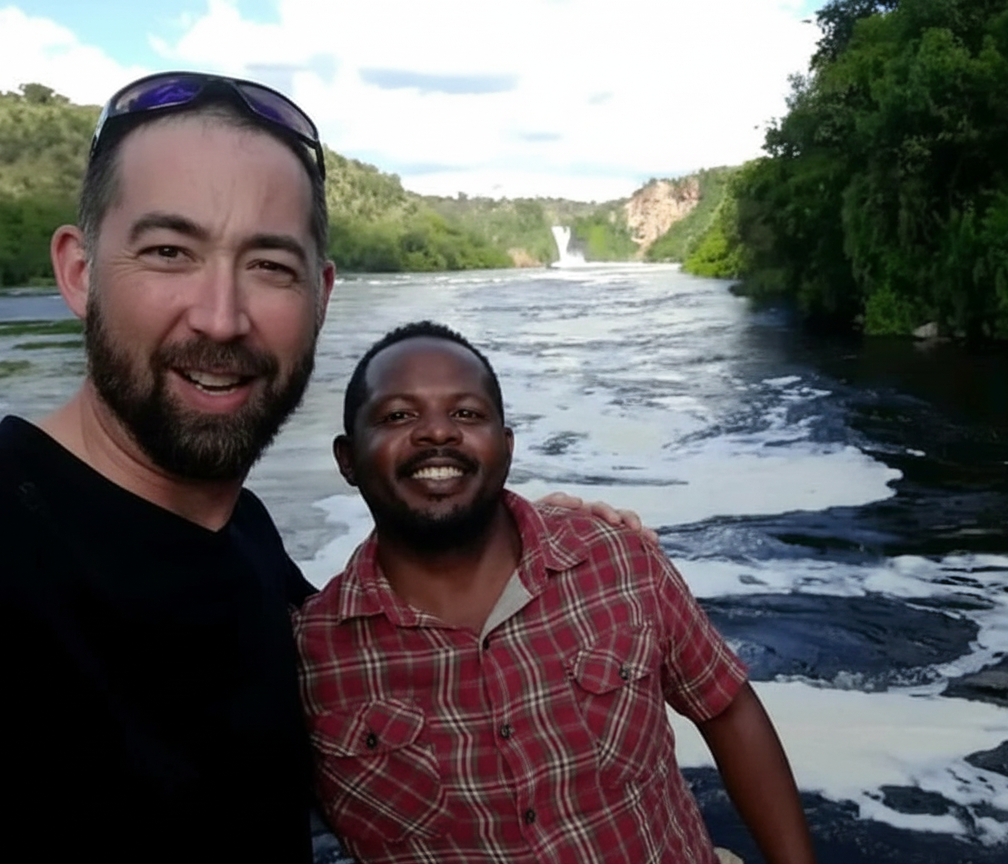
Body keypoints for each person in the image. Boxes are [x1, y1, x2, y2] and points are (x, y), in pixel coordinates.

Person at [0, 71, 644, 863]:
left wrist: (524, 543)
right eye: (170, 251)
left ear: (321, 294)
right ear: (80, 271)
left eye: (270, 265)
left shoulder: (243, 535)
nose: (221, 317)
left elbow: (399, 655)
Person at [294, 321, 817, 864]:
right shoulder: (309, 659)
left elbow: (726, 709)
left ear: (507, 446)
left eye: (467, 414)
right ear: (347, 458)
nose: (438, 433)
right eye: (398, 415)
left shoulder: (617, 559)